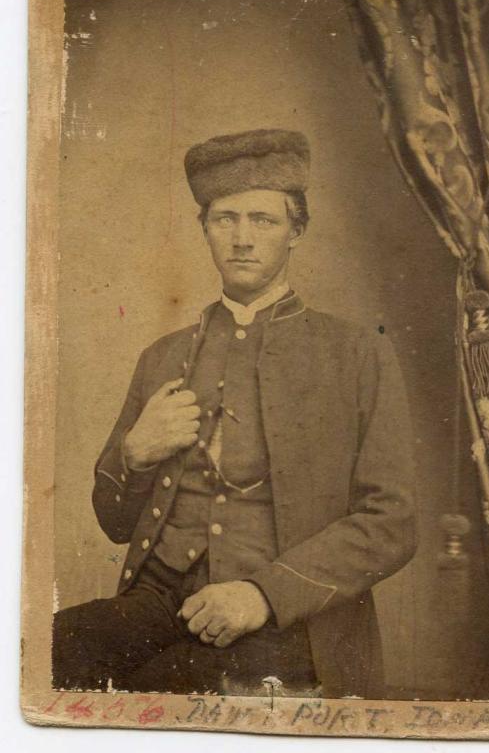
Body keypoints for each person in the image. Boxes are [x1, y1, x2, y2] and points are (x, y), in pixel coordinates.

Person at [52, 128, 417, 698]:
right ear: (204, 230)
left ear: (297, 230)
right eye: (224, 219)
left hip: (281, 617)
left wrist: (263, 595)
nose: (242, 239)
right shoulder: (163, 356)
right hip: (158, 601)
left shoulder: (357, 354)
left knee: (166, 687)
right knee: (50, 648)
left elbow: (390, 523)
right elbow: (115, 522)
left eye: (263, 220)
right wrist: (134, 455)